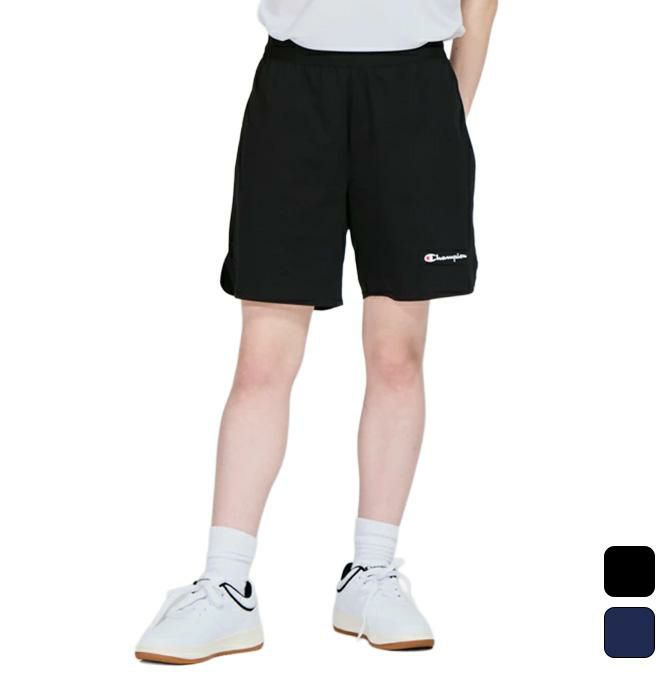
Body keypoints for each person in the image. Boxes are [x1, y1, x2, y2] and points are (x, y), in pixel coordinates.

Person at [135, 0, 497, 663]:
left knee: (396, 354)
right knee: (262, 359)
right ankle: (225, 583)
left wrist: (452, 103)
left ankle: (372, 573)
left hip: (415, 91)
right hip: (296, 87)